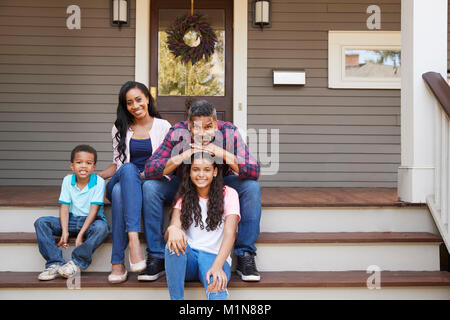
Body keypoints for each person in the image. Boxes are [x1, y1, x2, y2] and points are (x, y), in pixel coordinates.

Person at [143, 100, 261, 282]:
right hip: (185, 184)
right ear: (189, 125)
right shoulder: (177, 132)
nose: (203, 133)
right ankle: (157, 256)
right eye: (197, 127)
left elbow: (254, 170)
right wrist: (182, 156)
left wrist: (221, 153)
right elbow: (151, 169)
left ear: (215, 123)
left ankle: (245, 254)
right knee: (150, 187)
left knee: (251, 187)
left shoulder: (228, 131)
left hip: (220, 184)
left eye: (208, 127)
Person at [97, 81, 171, 283]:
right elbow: (117, 164)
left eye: (139, 99)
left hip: (147, 181)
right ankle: (134, 241)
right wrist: (95, 176)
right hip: (125, 176)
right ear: (125, 106)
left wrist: (144, 176)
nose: (135, 105)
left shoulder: (163, 127)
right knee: (128, 170)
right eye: (129, 102)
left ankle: (117, 263)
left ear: (147, 99)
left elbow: (167, 163)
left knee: (121, 192)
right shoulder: (119, 127)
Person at [164, 152, 240, 300]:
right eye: (196, 169)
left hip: (214, 258)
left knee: (217, 292)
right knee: (171, 245)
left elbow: (230, 234)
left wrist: (218, 266)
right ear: (190, 172)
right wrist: (172, 229)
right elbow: (171, 232)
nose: (201, 174)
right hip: (190, 258)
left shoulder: (229, 194)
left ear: (215, 172)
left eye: (207, 169)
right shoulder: (184, 197)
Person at [34, 144, 109, 280]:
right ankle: (55, 263)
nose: (83, 166)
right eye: (79, 162)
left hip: (90, 221)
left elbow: (94, 210)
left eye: (88, 163)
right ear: (72, 165)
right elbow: (64, 207)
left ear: (94, 167)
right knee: (41, 222)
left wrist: (80, 235)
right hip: (71, 220)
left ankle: (76, 262)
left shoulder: (99, 182)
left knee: (102, 228)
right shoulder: (68, 180)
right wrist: (64, 231)